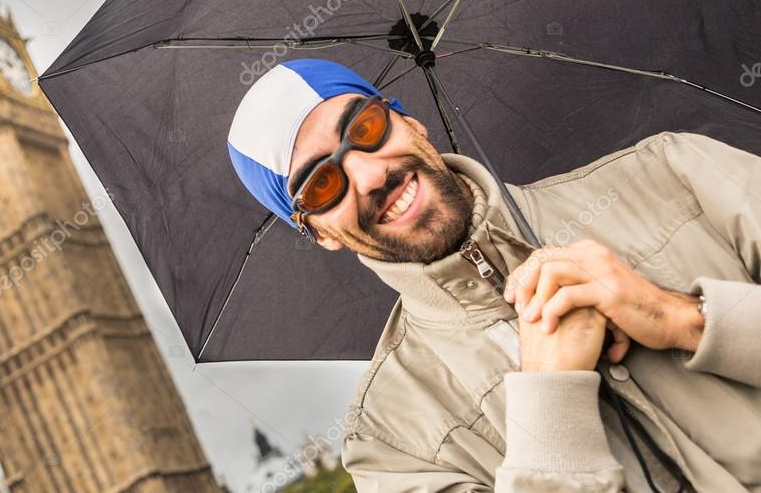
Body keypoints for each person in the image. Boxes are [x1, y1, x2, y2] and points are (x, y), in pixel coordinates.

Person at [226, 58, 761, 492]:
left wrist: (681, 318)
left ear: (407, 120)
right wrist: (551, 396)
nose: (369, 176)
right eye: (321, 186)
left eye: (364, 128)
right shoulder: (391, 446)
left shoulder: (677, 173)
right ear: (319, 232)